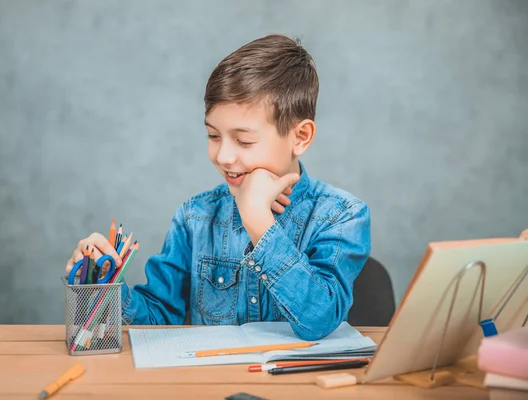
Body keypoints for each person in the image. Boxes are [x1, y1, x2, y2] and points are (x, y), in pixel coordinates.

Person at [65, 34, 371, 340]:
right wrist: (102, 285)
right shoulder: (195, 217)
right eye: (213, 136)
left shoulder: (342, 216)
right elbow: (158, 317)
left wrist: (258, 222)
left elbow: (320, 319)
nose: (223, 156)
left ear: (300, 137)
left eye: (244, 140)